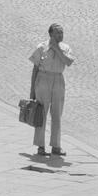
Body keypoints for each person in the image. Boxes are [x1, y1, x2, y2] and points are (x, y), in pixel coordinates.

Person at [29, 23, 74, 157]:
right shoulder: (41, 47)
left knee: (57, 114)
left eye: (62, 32)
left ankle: (56, 146)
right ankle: (40, 146)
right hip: (43, 79)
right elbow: (35, 68)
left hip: (58, 80)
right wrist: (32, 89)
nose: (60, 35)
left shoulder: (65, 48)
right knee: (41, 114)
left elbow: (69, 62)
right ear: (50, 34)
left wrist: (57, 49)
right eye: (57, 33)